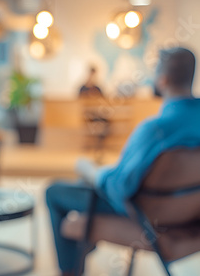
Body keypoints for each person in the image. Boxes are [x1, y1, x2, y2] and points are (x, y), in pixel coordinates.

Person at [46, 47, 200, 276]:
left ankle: (70, 270)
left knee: (55, 191)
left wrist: (93, 172)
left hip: (146, 215)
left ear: (163, 79)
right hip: (192, 215)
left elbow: (118, 188)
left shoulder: (154, 129)